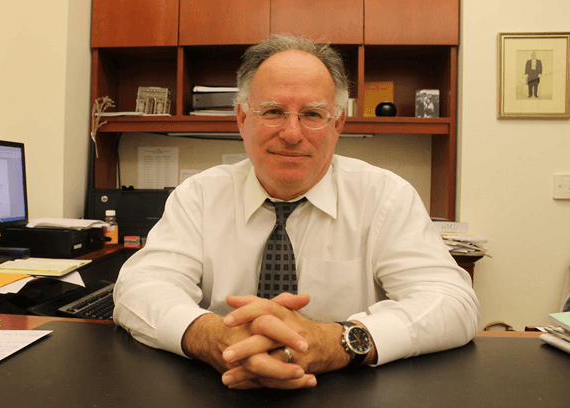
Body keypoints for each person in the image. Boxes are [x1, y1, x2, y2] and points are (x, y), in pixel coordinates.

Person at [113, 34, 479, 390]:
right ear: (242, 119)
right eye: (272, 112)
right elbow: (140, 288)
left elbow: (452, 302)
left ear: (338, 124)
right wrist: (214, 338)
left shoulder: (386, 197)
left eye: (312, 114)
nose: (291, 133)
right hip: (218, 387)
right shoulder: (199, 196)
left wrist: (337, 342)